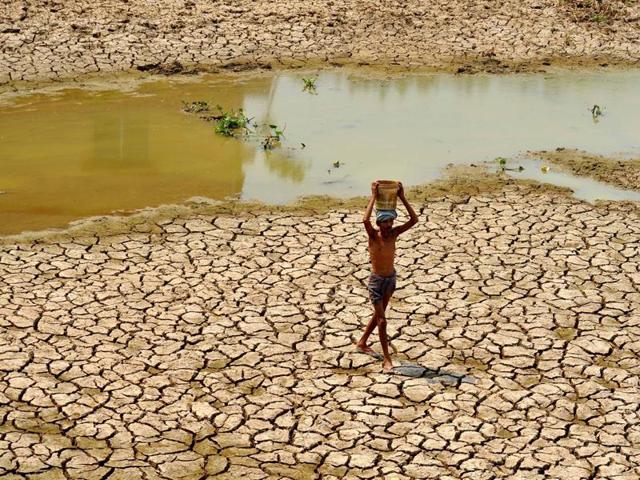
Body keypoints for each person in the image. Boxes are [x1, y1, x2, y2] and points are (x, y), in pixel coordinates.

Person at [355, 181, 419, 371]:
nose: (388, 225)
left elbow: (414, 220)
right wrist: (373, 196)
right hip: (376, 282)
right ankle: (386, 359)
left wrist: (402, 197)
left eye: (390, 221)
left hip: (390, 280)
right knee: (382, 320)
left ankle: (362, 343)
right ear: (379, 222)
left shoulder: (394, 234)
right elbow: (365, 220)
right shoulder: (374, 236)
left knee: (378, 315)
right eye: (384, 221)